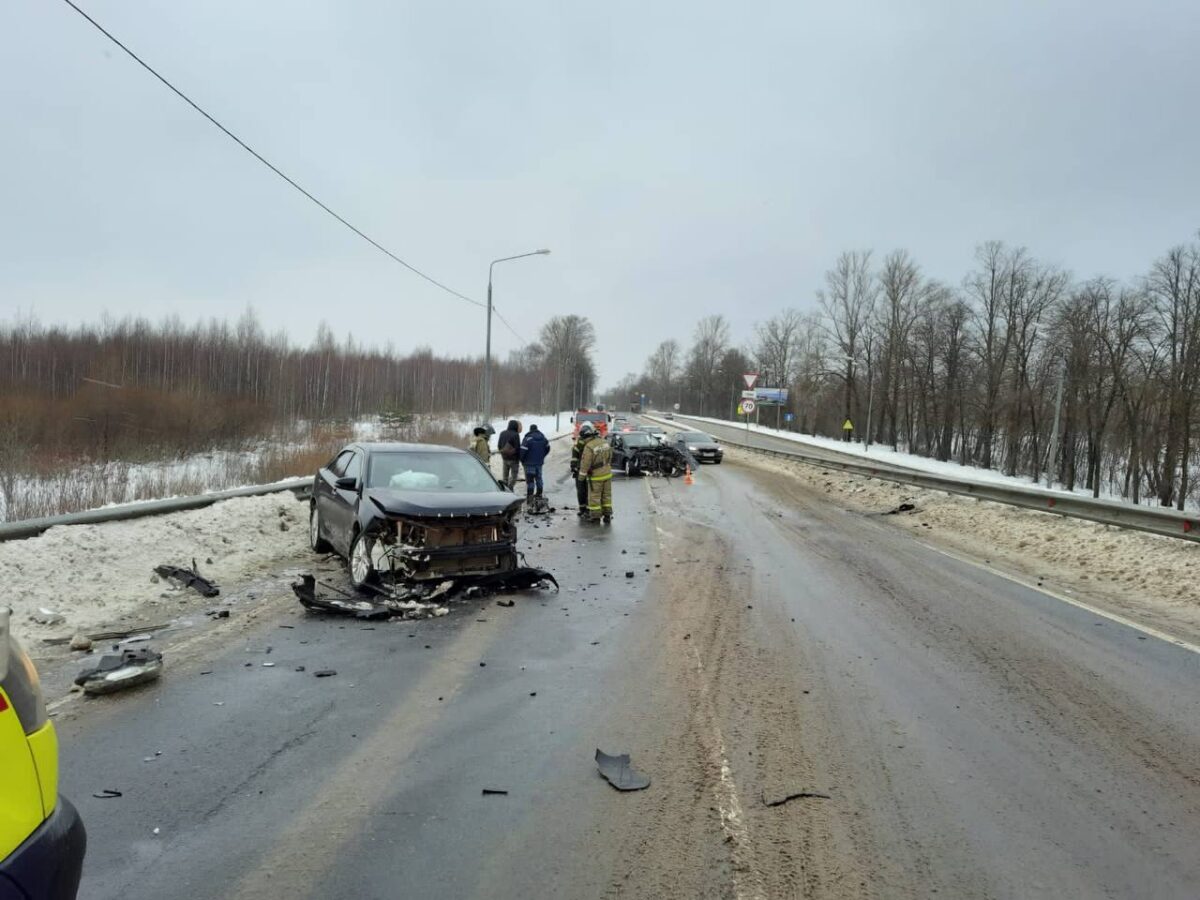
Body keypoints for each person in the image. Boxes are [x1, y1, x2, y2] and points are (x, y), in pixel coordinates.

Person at [577, 423, 614, 523]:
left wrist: (581, 478)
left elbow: (585, 464)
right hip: (607, 473)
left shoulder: (589, 447)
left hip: (596, 476)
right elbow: (610, 456)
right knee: (606, 495)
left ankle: (596, 517)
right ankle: (607, 516)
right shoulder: (604, 442)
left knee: (595, 497)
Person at [519, 424, 551, 498]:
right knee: (539, 478)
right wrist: (542, 456)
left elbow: (522, 451)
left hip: (529, 463)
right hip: (539, 462)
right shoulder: (543, 438)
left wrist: (522, 460)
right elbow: (548, 448)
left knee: (530, 479)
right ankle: (539, 493)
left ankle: (530, 494)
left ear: (530, 430)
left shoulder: (527, 439)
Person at [569, 430, 590, 516]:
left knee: (581, 491)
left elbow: (574, 458)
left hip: (579, 471)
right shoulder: (590, 445)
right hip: (588, 471)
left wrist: (573, 467)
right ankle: (588, 509)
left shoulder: (577, 445)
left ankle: (582, 509)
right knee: (588, 490)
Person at [497, 419, 522, 489]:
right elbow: (517, 448)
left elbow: (499, 446)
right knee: (514, 477)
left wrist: (503, 454)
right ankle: (510, 489)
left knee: (505, 477)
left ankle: (505, 489)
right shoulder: (516, 434)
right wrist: (518, 457)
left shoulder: (502, 433)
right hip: (514, 460)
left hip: (504, 459)